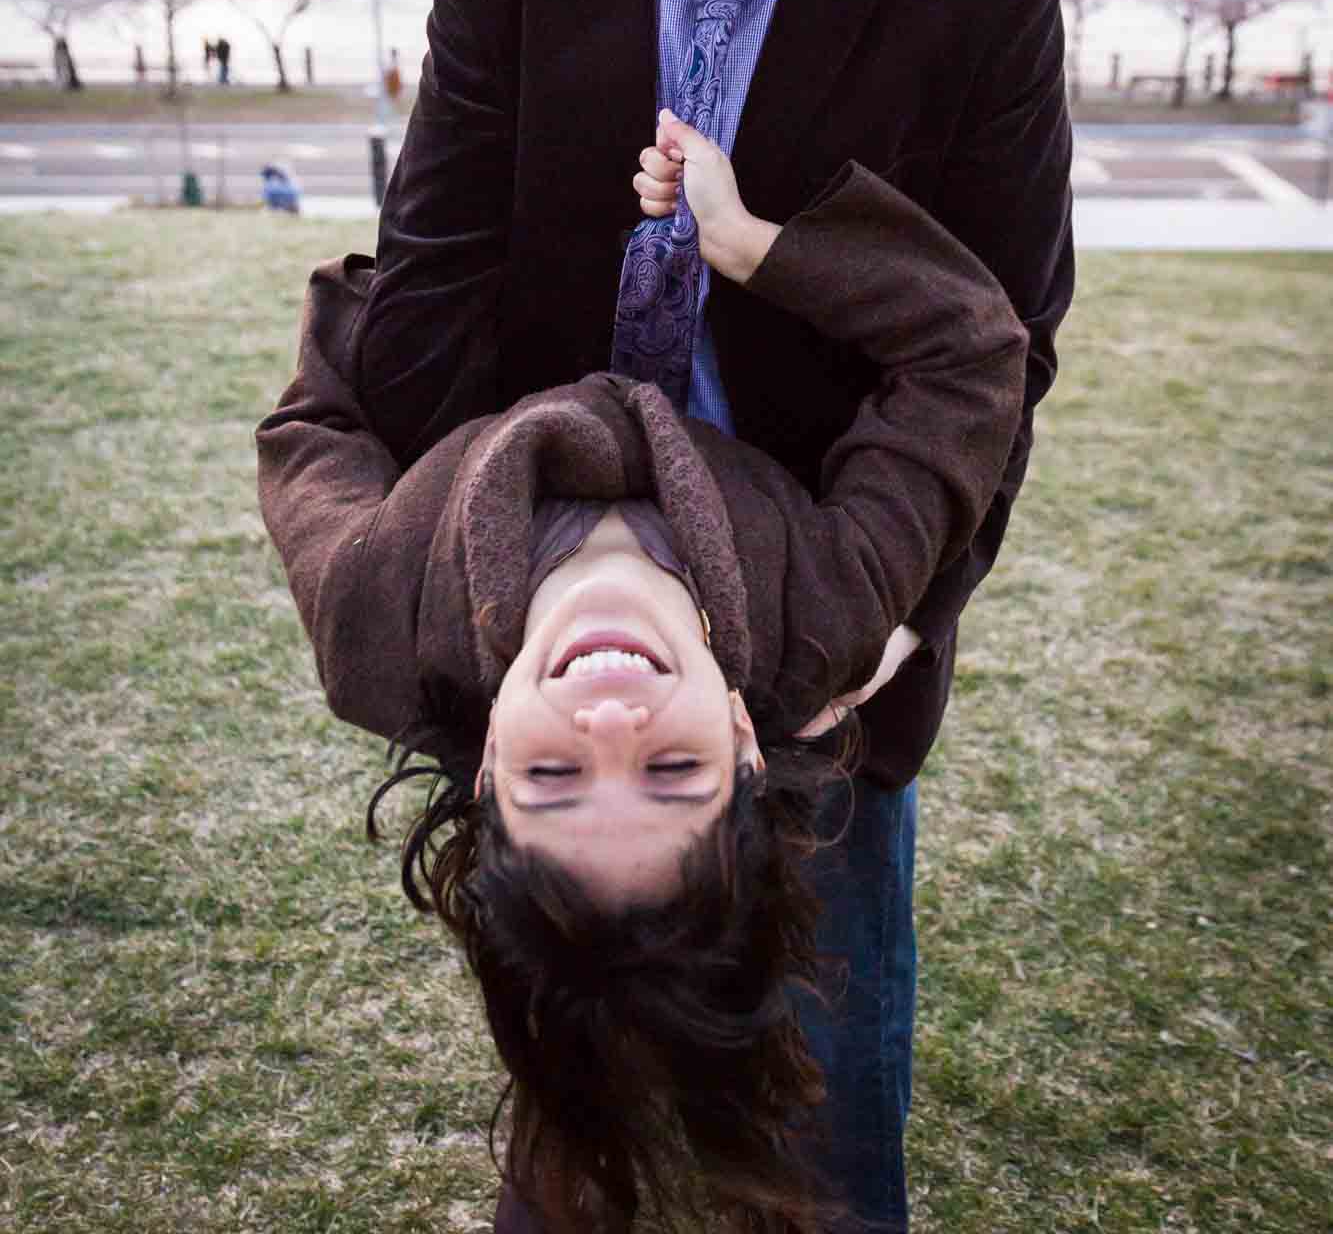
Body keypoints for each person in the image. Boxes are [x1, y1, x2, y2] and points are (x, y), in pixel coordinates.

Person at [356, 0, 1075, 1230]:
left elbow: (1003, 352)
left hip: (825, 655)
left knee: (820, 1147)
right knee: (574, 1115)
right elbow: (430, 294)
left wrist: (893, 627)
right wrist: (476, 587)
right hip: (568, 635)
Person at [258, 118, 1028, 1232]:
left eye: (555, 777)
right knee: (677, 991)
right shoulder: (821, 610)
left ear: (482, 772)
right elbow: (968, 357)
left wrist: (432, 276)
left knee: (586, 986)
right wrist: (759, 245)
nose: (609, 716)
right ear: (747, 740)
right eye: (671, 766)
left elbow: (314, 416)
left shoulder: (376, 616)